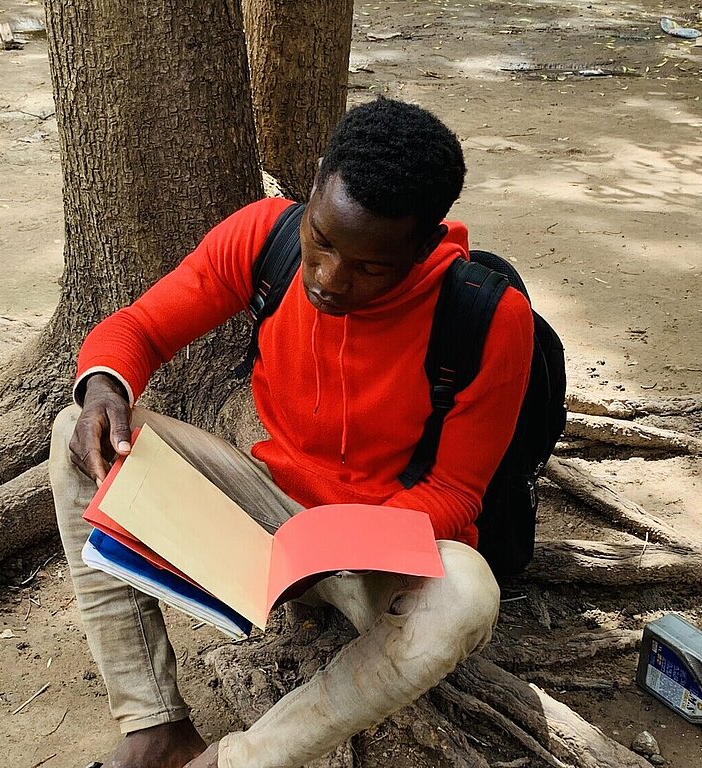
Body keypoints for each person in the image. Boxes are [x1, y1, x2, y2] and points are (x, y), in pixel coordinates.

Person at [49, 97, 534, 768]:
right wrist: (106, 385)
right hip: (268, 509)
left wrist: (353, 544)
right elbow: (140, 328)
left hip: (382, 556)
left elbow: (456, 491)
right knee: (80, 430)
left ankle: (236, 760)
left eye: (370, 267)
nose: (330, 279)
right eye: (324, 240)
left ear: (425, 244)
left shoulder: (487, 317)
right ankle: (154, 725)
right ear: (313, 183)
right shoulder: (265, 237)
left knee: (467, 597)